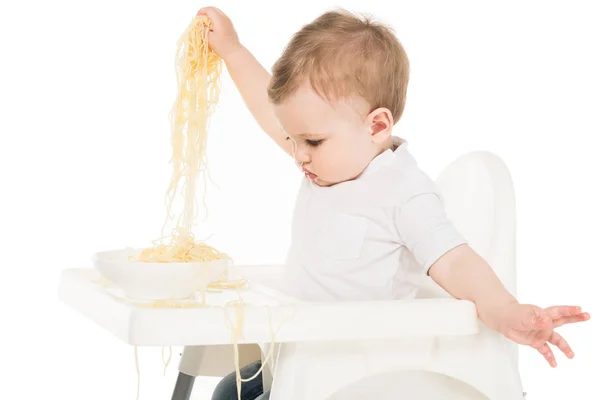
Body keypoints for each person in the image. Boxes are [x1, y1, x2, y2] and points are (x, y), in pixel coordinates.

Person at [196, 6, 590, 400]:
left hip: (360, 368)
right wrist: (232, 50)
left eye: (310, 141)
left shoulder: (403, 193)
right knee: (229, 391)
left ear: (377, 125)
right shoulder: (332, 157)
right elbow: (270, 112)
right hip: (305, 348)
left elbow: (454, 259)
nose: (297, 154)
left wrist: (504, 310)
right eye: (292, 138)